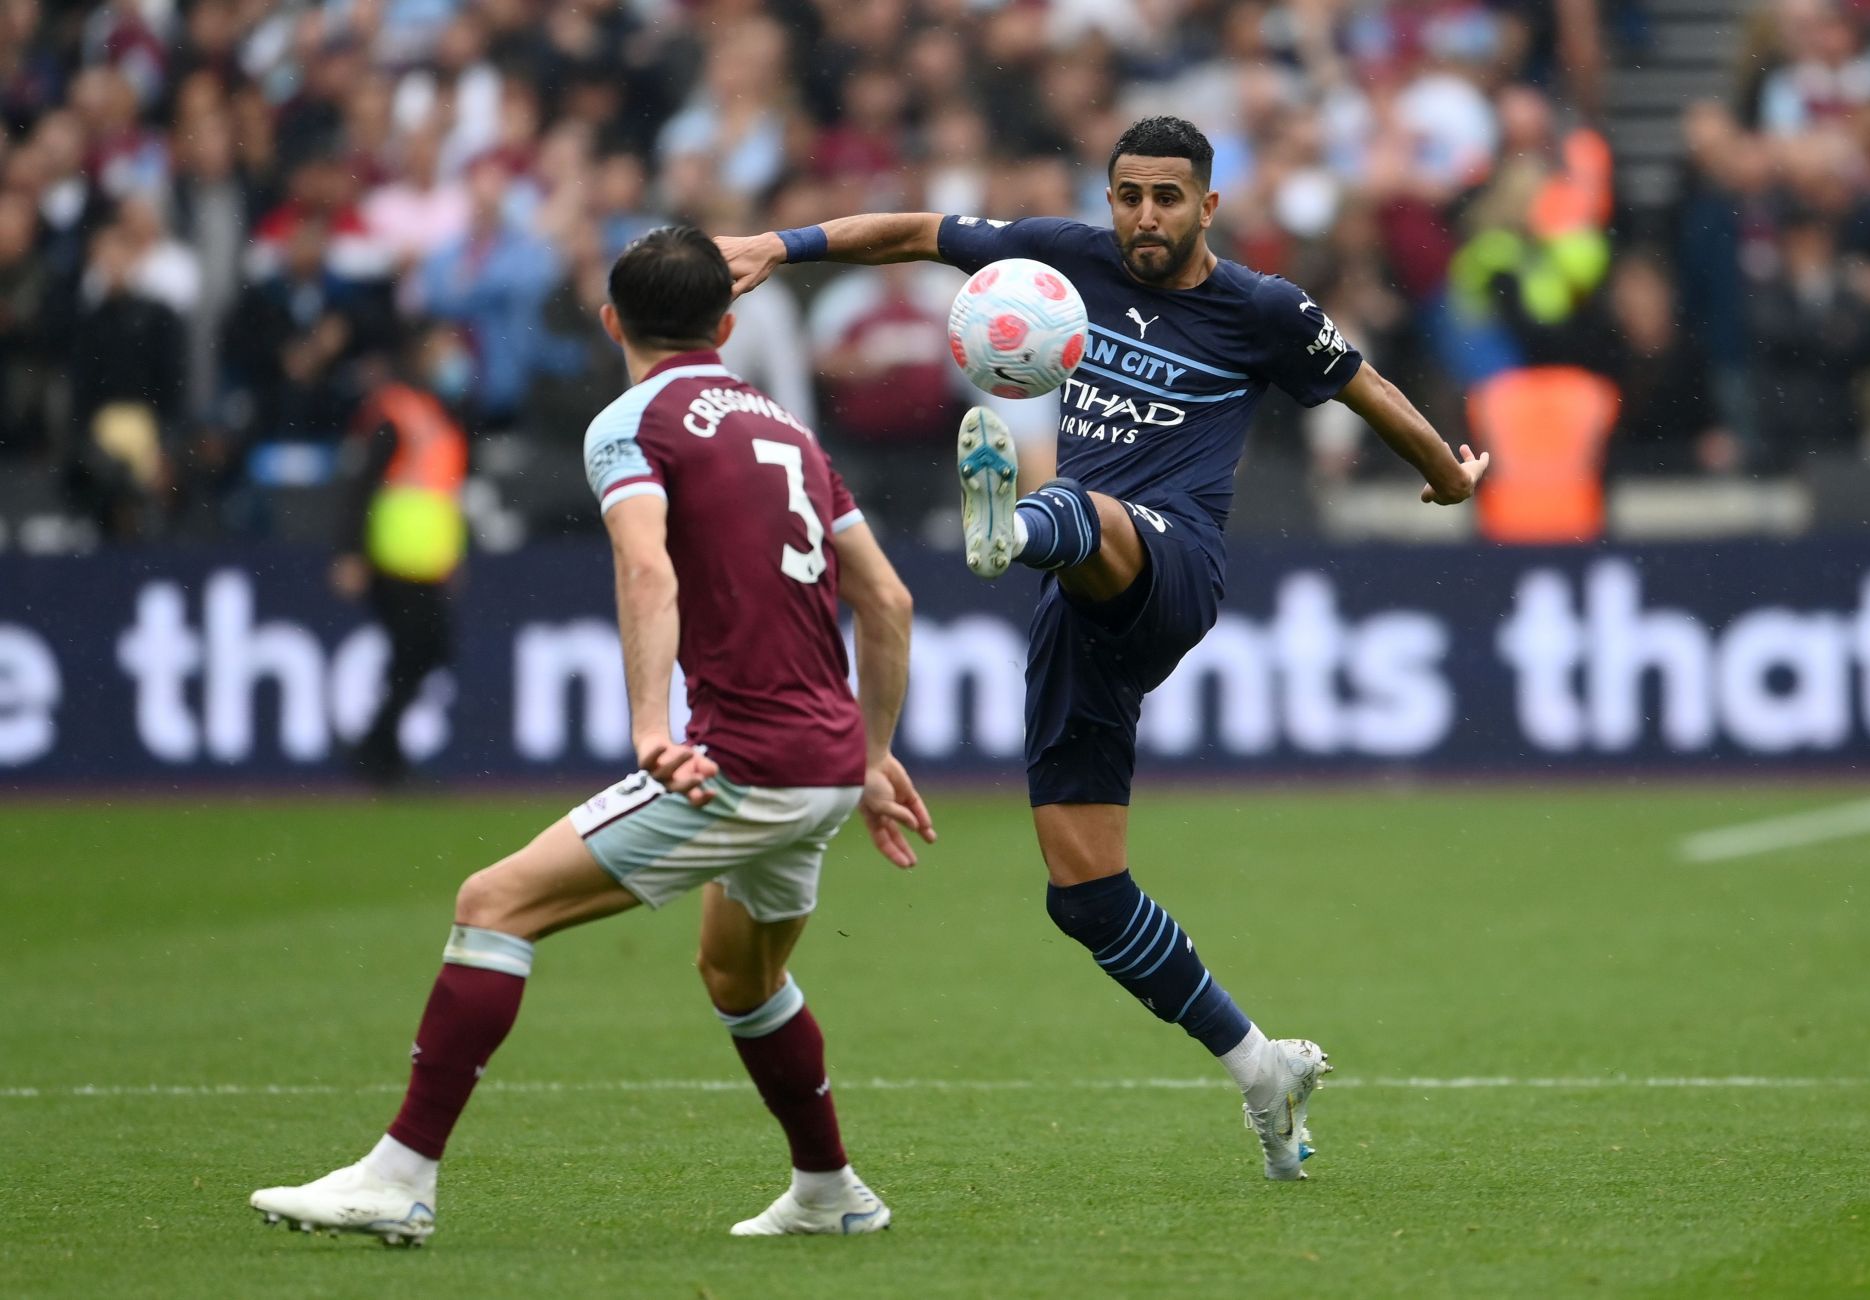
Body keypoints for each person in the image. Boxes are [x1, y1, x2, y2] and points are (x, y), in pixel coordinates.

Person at [720, 116, 1489, 1183]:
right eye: (1128, 193)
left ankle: (1020, 526)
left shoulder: (1262, 310)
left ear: (1207, 206)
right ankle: (1262, 1066)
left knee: (1080, 504)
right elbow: (919, 233)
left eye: (1167, 197)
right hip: (1083, 611)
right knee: (1084, 893)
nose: (1144, 216)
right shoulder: (1065, 259)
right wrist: (781, 249)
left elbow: (1365, 386)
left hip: (1172, 565)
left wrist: (1447, 473)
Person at [251, 226, 934, 1243]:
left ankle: (399, 1175)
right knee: (739, 975)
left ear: (612, 320)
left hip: (743, 762)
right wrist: (870, 754)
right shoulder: (787, 429)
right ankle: (831, 1190)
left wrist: (651, 725)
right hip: (824, 761)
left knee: (493, 904)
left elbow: (645, 566)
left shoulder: (632, 422)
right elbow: (887, 599)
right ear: (729, 325)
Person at [331, 322, 472, 785]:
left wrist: (451, 555)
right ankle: (379, 753)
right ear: (419, 354)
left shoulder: (434, 412)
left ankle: (378, 749)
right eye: (442, 348)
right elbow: (359, 485)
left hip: (425, 559)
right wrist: (350, 551)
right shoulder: (396, 412)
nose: (451, 358)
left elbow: (443, 493)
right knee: (416, 654)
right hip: (393, 558)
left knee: (422, 655)